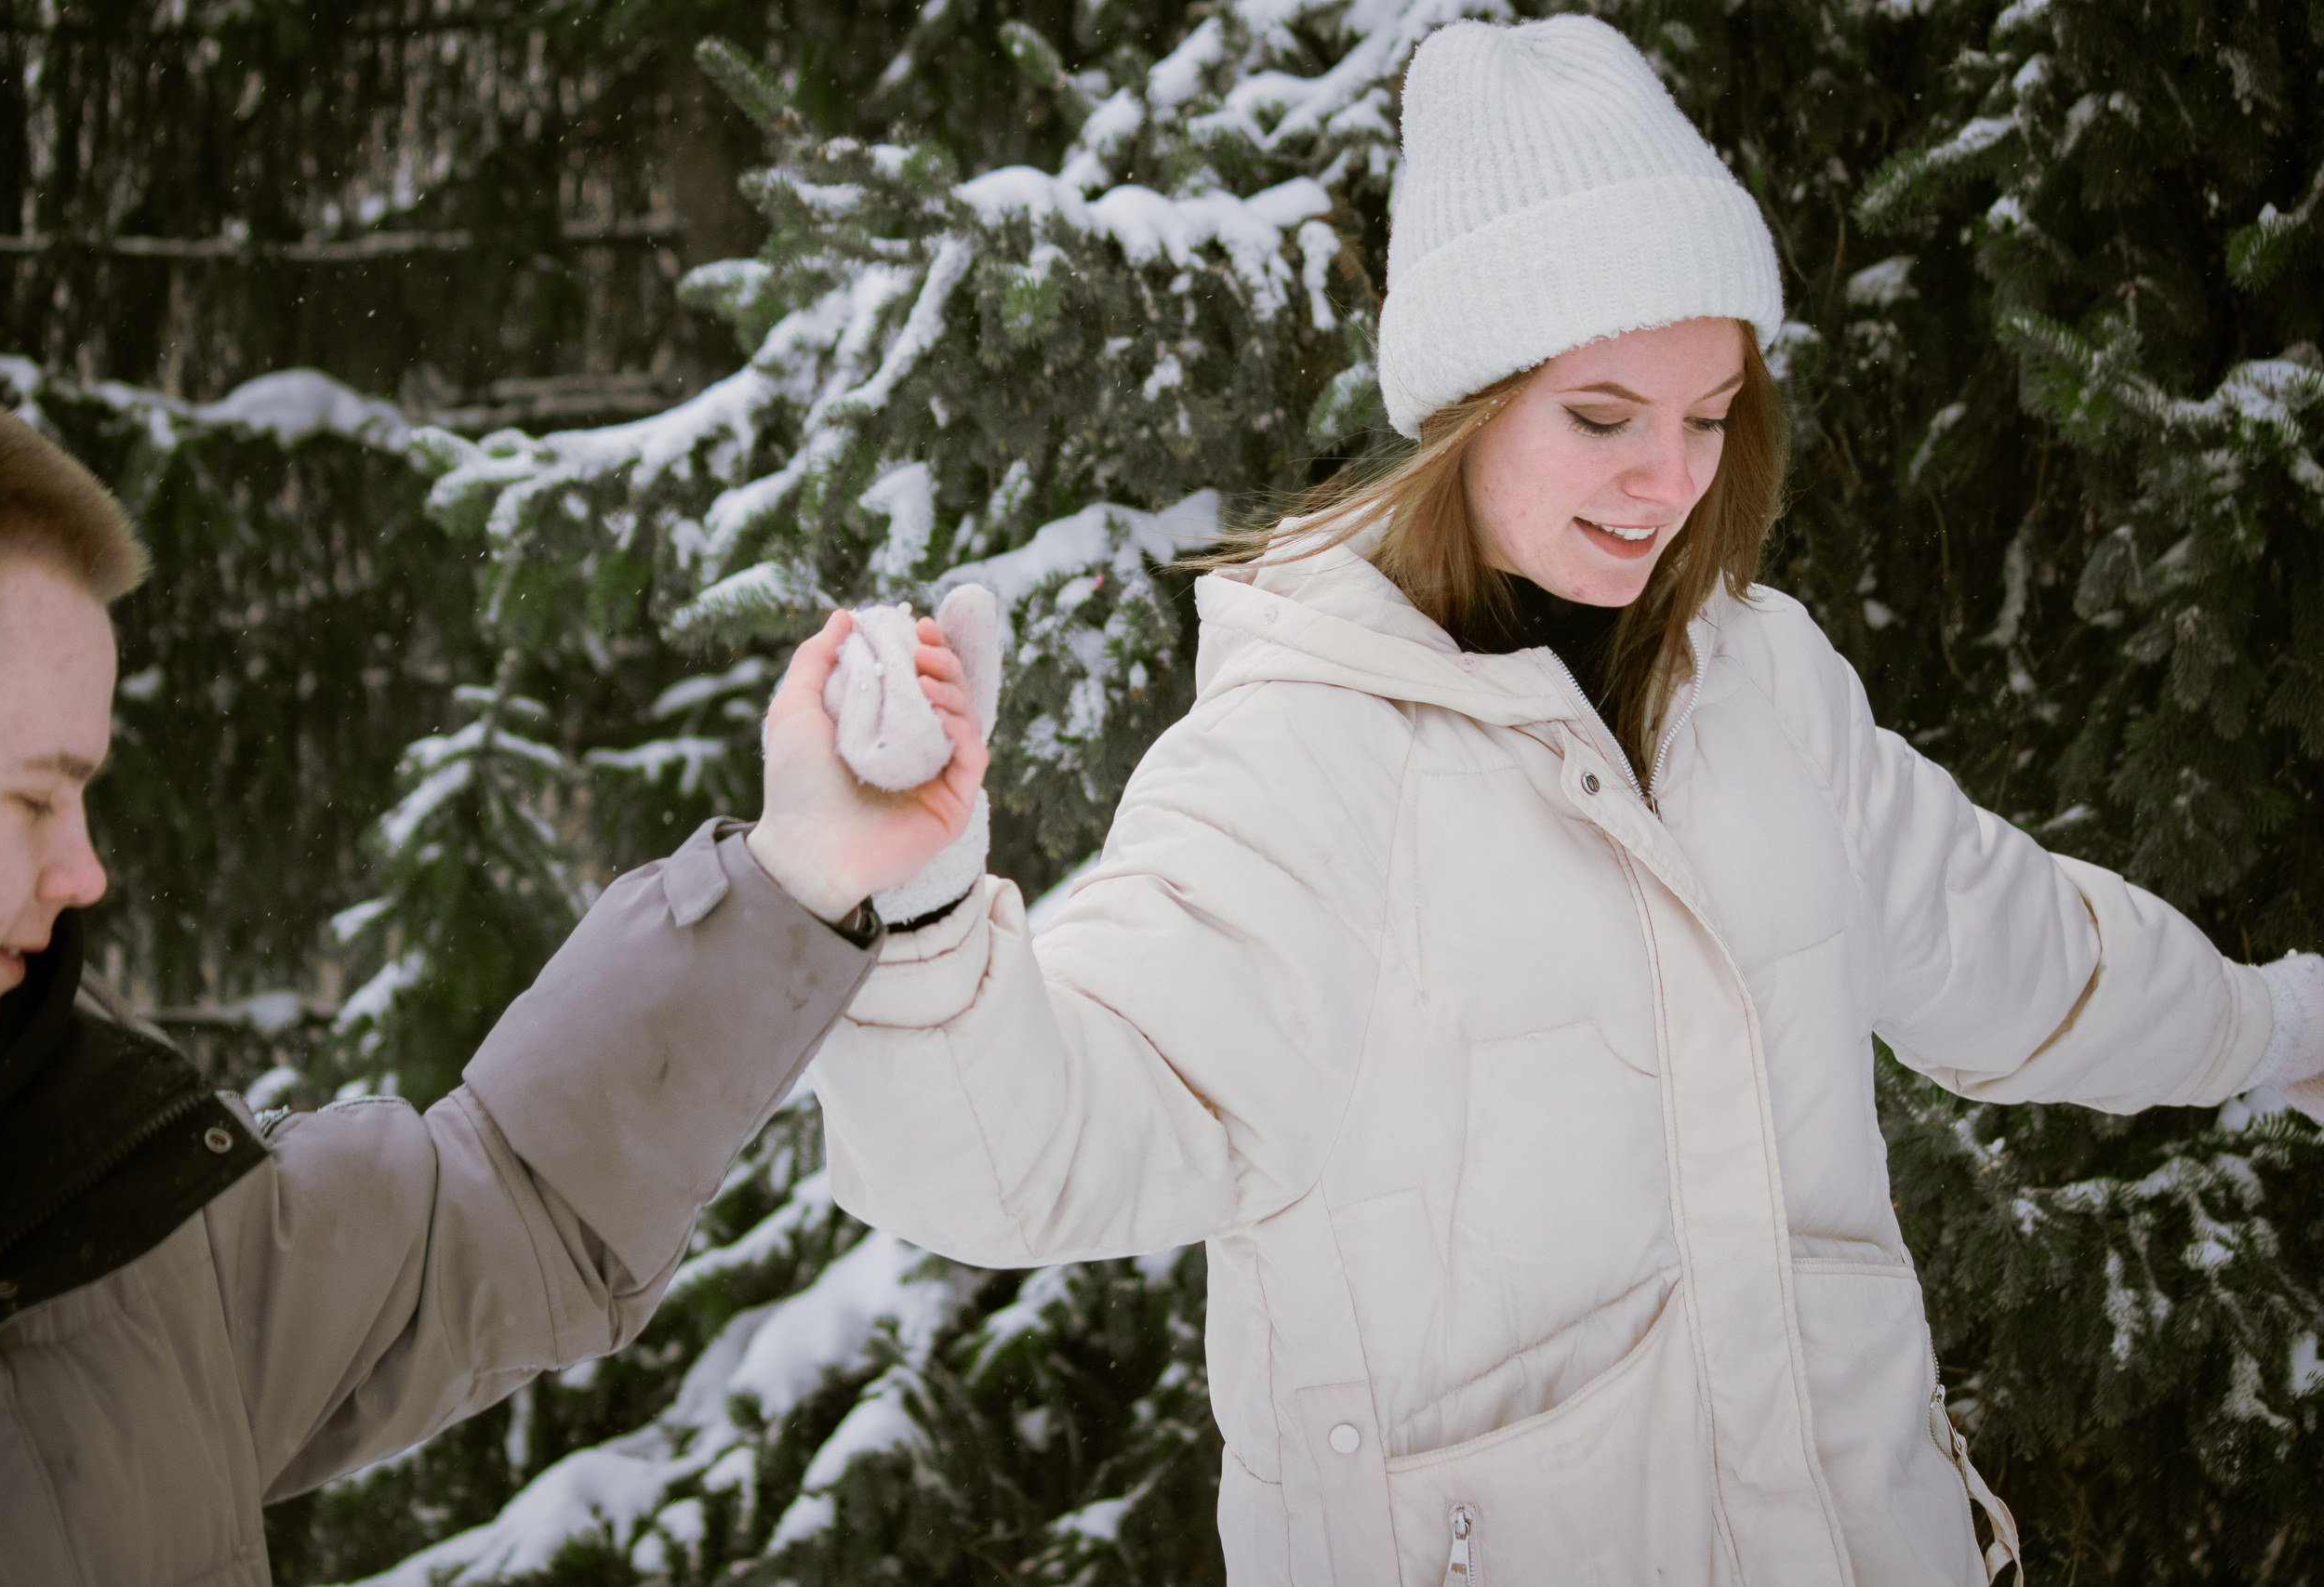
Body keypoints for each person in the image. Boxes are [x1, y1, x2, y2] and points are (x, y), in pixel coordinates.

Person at [751, 16, 2324, 1586]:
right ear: (1466, 404)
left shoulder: (1759, 686)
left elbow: (2016, 949)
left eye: (1710, 417)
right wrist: (928, 923)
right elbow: (1044, 1146)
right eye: (1601, 417)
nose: (1670, 479)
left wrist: (2280, 1030)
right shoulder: (1304, 750)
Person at [0, 381, 984, 1586]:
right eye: (32, 796)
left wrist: (800, 866)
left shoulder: (96, 1209)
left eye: (86, 795)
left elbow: (500, 1218)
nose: (84, 872)